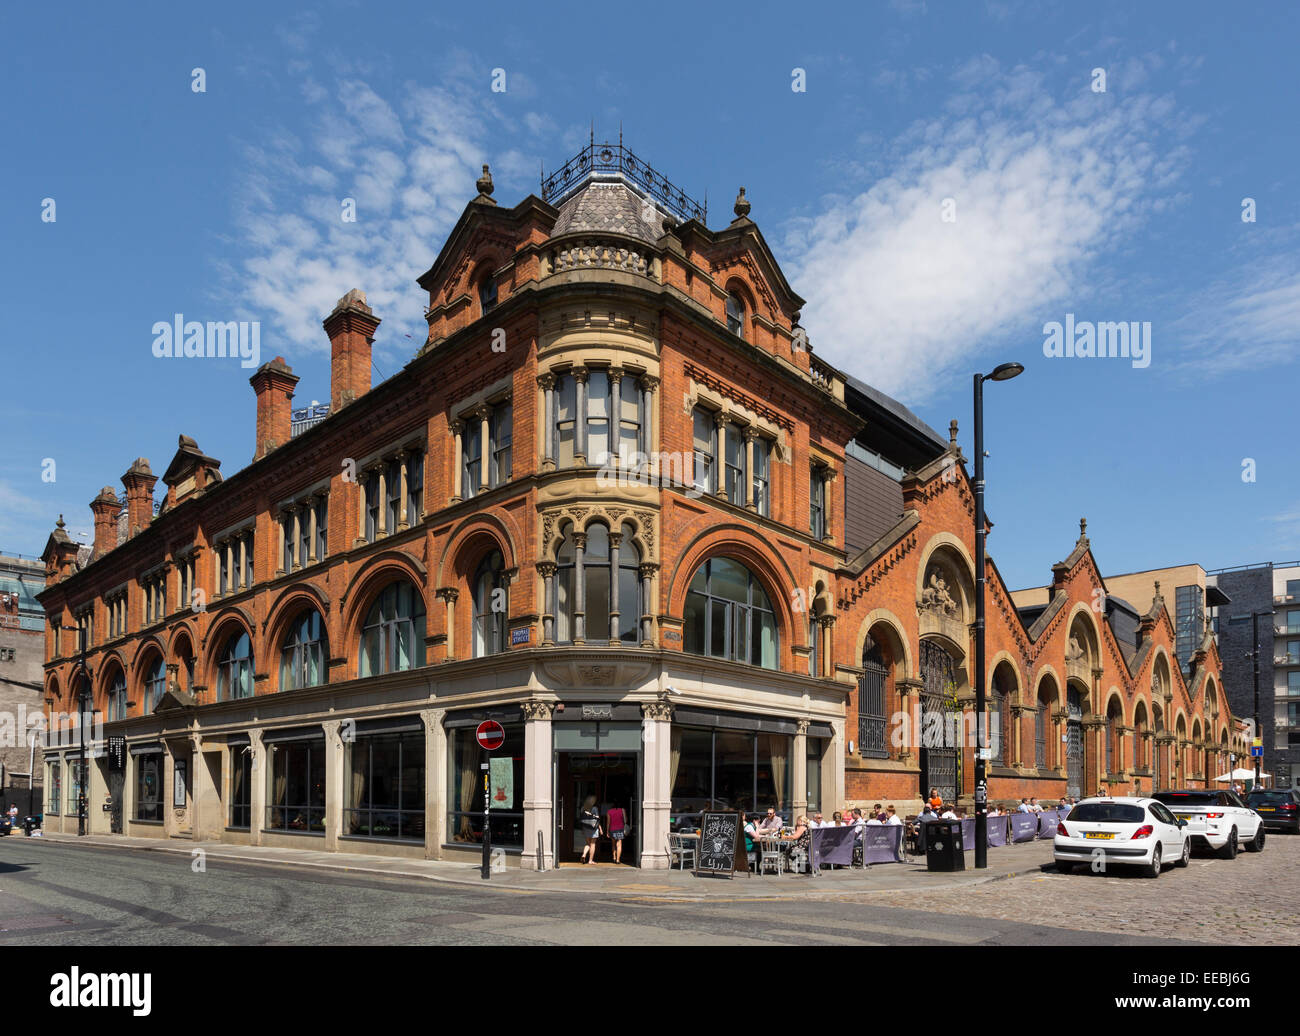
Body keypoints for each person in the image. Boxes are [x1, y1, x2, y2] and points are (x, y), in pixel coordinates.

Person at [578, 795, 601, 864]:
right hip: (593, 827)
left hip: (585, 827)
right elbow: (597, 818)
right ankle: (590, 860)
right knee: (593, 844)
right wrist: (600, 828)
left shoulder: (583, 808)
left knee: (588, 843)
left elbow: (581, 817)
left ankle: (584, 854)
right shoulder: (595, 808)